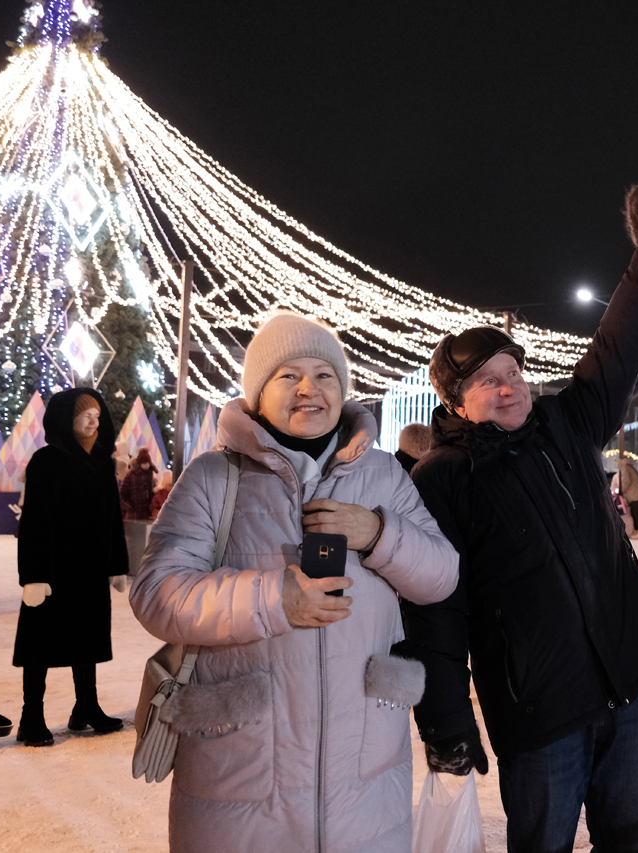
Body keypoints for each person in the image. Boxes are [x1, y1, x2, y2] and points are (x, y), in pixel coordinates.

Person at [403, 184, 638, 852]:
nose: (509, 385)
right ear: (459, 401)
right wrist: (446, 719)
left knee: (627, 842)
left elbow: (619, 348)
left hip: (623, 688)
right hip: (540, 715)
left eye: (514, 371)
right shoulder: (443, 478)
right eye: (488, 380)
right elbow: (434, 609)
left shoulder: (567, 422)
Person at [131, 312, 459, 853]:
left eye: (325, 375)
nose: (310, 388)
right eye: (289, 375)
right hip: (243, 777)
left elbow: (441, 576)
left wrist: (378, 533)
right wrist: (272, 598)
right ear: (258, 392)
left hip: (366, 774)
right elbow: (157, 592)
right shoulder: (216, 477)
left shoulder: (382, 474)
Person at [14, 388, 130, 747]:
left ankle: (86, 707)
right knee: (40, 645)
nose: (94, 421)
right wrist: (34, 576)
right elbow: (33, 522)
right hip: (53, 570)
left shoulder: (102, 463)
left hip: (90, 570)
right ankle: (31, 715)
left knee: (87, 640)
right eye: (85, 416)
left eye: (97, 415)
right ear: (68, 420)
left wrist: (116, 564)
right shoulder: (46, 461)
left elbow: (113, 518)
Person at [614, 455, 638, 538]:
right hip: (637, 494)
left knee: (636, 513)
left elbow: (626, 481)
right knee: (636, 513)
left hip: (635, 495)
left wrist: (621, 490)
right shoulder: (630, 467)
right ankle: (637, 530)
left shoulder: (625, 468)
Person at [119, 446, 157, 519]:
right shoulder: (131, 475)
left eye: (148, 463)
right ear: (140, 463)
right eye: (144, 463)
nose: (147, 465)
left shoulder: (150, 475)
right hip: (133, 513)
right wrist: (129, 506)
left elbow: (152, 492)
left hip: (146, 513)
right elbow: (121, 493)